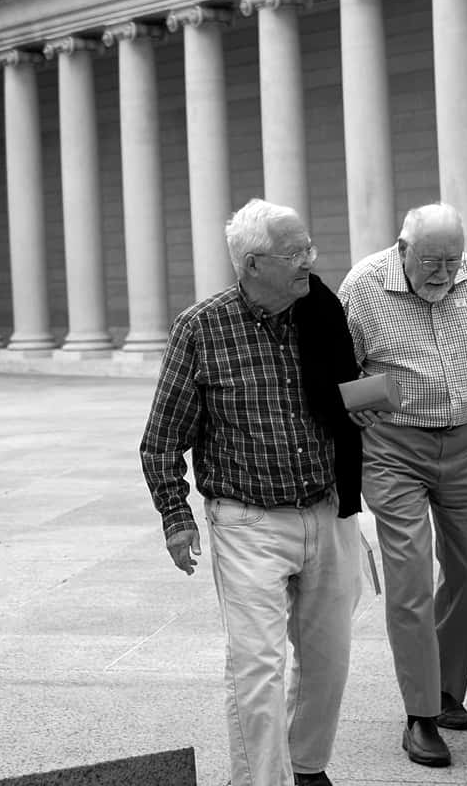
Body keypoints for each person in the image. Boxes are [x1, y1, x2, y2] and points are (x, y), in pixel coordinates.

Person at [141, 200, 365, 786]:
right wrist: (176, 516)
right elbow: (162, 438)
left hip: (326, 508)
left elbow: (348, 394)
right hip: (248, 523)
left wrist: (376, 408)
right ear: (253, 264)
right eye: (296, 254)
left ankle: (308, 767)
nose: (309, 262)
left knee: (327, 662)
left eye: (308, 249)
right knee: (257, 669)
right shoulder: (202, 327)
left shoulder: (322, 310)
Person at [338, 203, 467, 769]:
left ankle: (448, 691)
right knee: (409, 577)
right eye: (432, 261)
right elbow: (336, 372)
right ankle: (420, 716)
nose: (445, 273)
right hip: (395, 449)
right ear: (403, 248)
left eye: (452, 260)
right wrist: (364, 407)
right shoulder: (364, 285)